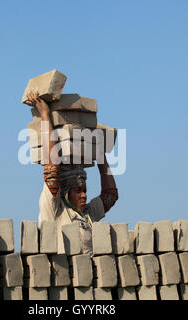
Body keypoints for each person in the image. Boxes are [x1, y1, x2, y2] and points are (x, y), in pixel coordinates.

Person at [25, 90, 119, 256]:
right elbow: (52, 170)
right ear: (64, 191)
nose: (84, 195)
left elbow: (110, 196)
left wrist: (99, 152)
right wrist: (45, 115)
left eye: (84, 190)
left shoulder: (87, 215)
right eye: (78, 191)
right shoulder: (55, 210)